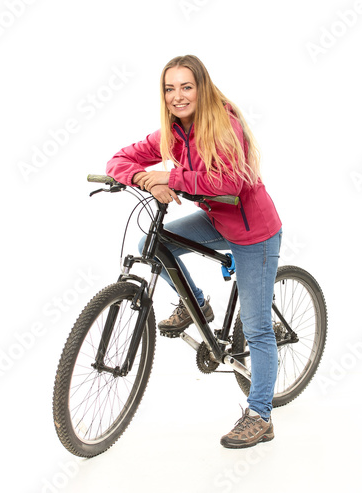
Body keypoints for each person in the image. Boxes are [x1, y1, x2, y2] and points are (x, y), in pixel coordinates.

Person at [106, 55, 282, 449]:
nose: (177, 96)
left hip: (255, 232)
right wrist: (143, 179)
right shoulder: (172, 132)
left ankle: (260, 415)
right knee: (152, 244)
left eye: (186, 87)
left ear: (201, 88)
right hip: (218, 221)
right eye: (170, 88)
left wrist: (169, 176)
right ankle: (197, 305)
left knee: (256, 330)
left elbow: (231, 182)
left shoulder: (224, 125)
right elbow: (120, 158)